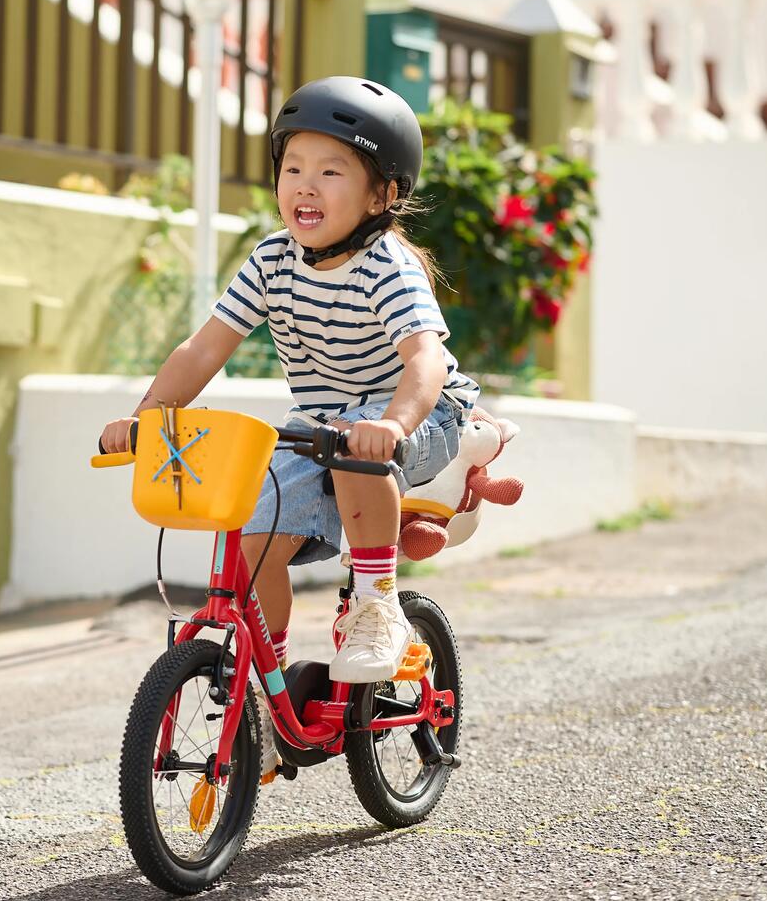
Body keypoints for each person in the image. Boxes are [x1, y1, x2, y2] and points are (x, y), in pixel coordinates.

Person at [99, 75, 481, 773]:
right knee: (248, 533)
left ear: (382, 195)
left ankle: (376, 605)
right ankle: (262, 691)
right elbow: (204, 347)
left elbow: (425, 360)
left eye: (332, 171)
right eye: (293, 168)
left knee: (356, 450)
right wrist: (147, 416)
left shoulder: (385, 266)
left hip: (419, 417)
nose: (306, 185)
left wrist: (393, 426)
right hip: (323, 427)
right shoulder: (273, 260)